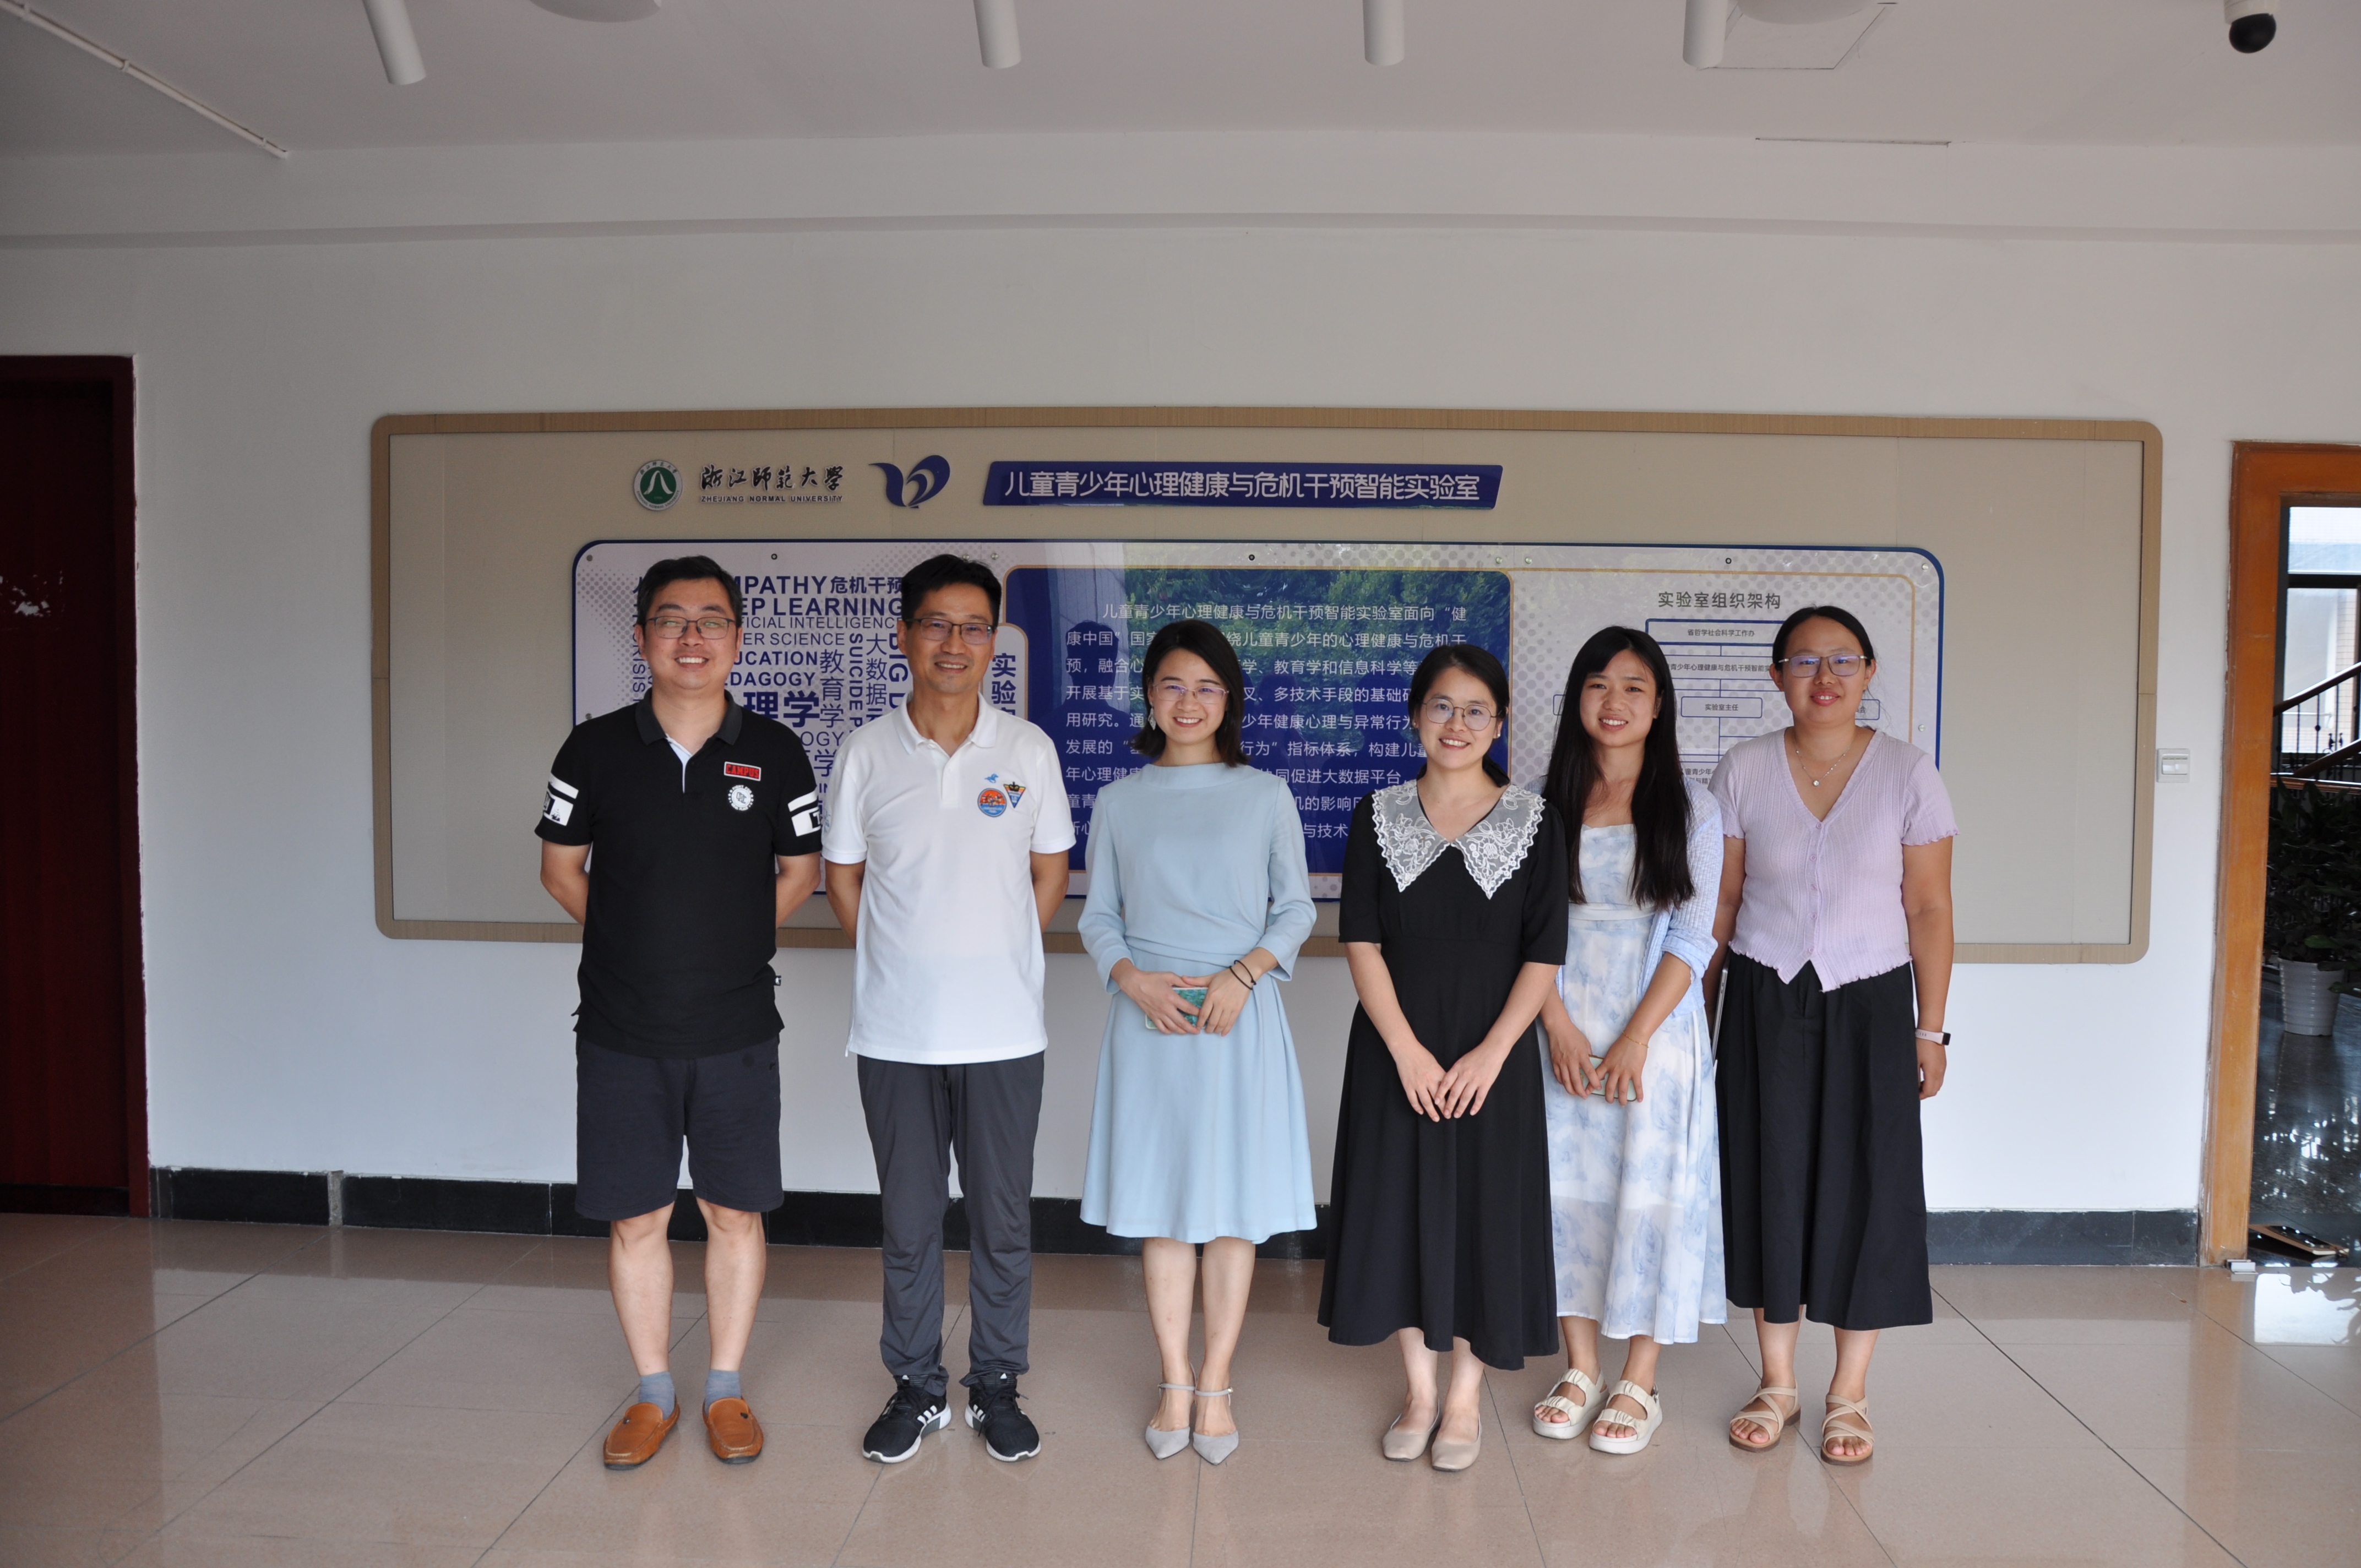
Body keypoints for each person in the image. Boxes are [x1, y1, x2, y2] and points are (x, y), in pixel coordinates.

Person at [535, 556, 824, 1471]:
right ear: (642, 637)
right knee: (637, 1218)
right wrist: (635, 942)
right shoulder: (593, 748)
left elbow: (802, 871)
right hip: (622, 1029)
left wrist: (727, 944)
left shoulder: (775, 750)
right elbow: (559, 869)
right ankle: (654, 1391)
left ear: (737, 638)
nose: (691, 638)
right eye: (671, 620)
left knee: (735, 1212)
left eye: (711, 621)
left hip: (736, 1028)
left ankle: (725, 1387)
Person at [823, 553, 1075, 1466]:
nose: (954, 643)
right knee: (909, 1219)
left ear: (993, 642)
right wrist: (899, 959)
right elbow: (842, 878)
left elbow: (1050, 871)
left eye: (974, 627)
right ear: (904, 636)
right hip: (895, 1032)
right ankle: (917, 1386)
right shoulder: (865, 752)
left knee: (1003, 1219)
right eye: (936, 624)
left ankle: (996, 1383)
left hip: (1004, 1031)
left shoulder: (1028, 750)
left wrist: (995, 953)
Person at [1706, 605, 1956, 1466]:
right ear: (1777, 674)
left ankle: (1849, 1391)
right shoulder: (1742, 770)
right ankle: (1777, 1380)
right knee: (1769, 1177)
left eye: (1843, 660)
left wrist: (1932, 1029)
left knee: (1868, 1184)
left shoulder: (1909, 773)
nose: (1825, 677)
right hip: (1763, 993)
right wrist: (1698, 1015)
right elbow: (1722, 903)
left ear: (1869, 672)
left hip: (1871, 1001)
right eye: (1805, 661)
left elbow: (1930, 907)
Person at [1318, 644, 1568, 1473]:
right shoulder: (1376, 814)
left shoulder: (1536, 820)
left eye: (1475, 711)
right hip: (1395, 1049)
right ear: (1415, 716)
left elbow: (1544, 953)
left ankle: (1463, 1398)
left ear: (1499, 724)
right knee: (1398, 1209)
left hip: (1493, 1054)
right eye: (1441, 707)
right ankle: (1419, 1393)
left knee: (1485, 1214)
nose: (1456, 724)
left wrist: (1495, 1053)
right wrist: (1405, 1052)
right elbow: (1361, 940)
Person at [1077, 620, 1317, 1467]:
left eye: (1208, 687)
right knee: (1164, 1204)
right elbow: (1097, 915)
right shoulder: (1120, 800)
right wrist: (1131, 979)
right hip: (1149, 1022)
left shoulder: (1265, 794)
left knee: (1232, 1207)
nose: (1190, 702)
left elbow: (1297, 908)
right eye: (1174, 686)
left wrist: (1243, 976)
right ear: (1149, 696)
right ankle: (1174, 1378)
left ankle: (1216, 1382)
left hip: (1235, 1018)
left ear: (1230, 700)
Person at [1528, 628, 1726, 1456]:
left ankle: (1640, 1378)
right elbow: (1521, 932)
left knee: (1650, 1195)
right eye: (1598, 685)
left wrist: (1636, 1038)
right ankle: (1581, 1366)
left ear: (1659, 704)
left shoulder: (1692, 807)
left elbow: (1692, 936)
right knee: (1563, 1193)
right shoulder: (1540, 802)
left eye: (1634, 687)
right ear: (1576, 698)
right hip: (1559, 1025)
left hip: (1655, 1033)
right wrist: (1557, 1025)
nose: (1615, 702)